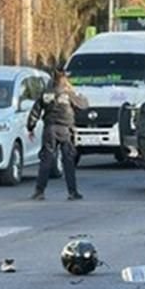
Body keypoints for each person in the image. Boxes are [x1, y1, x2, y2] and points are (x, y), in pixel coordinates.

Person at [27, 68, 88, 201]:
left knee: (46, 160)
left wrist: (30, 127)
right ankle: (72, 192)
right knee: (68, 161)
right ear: (64, 79)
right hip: (65, 130)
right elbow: (83, 105)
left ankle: (39, 191)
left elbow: (35, 111)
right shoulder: (69, 93)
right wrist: (76, 93)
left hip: (50, 129)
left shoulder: (46, 94)